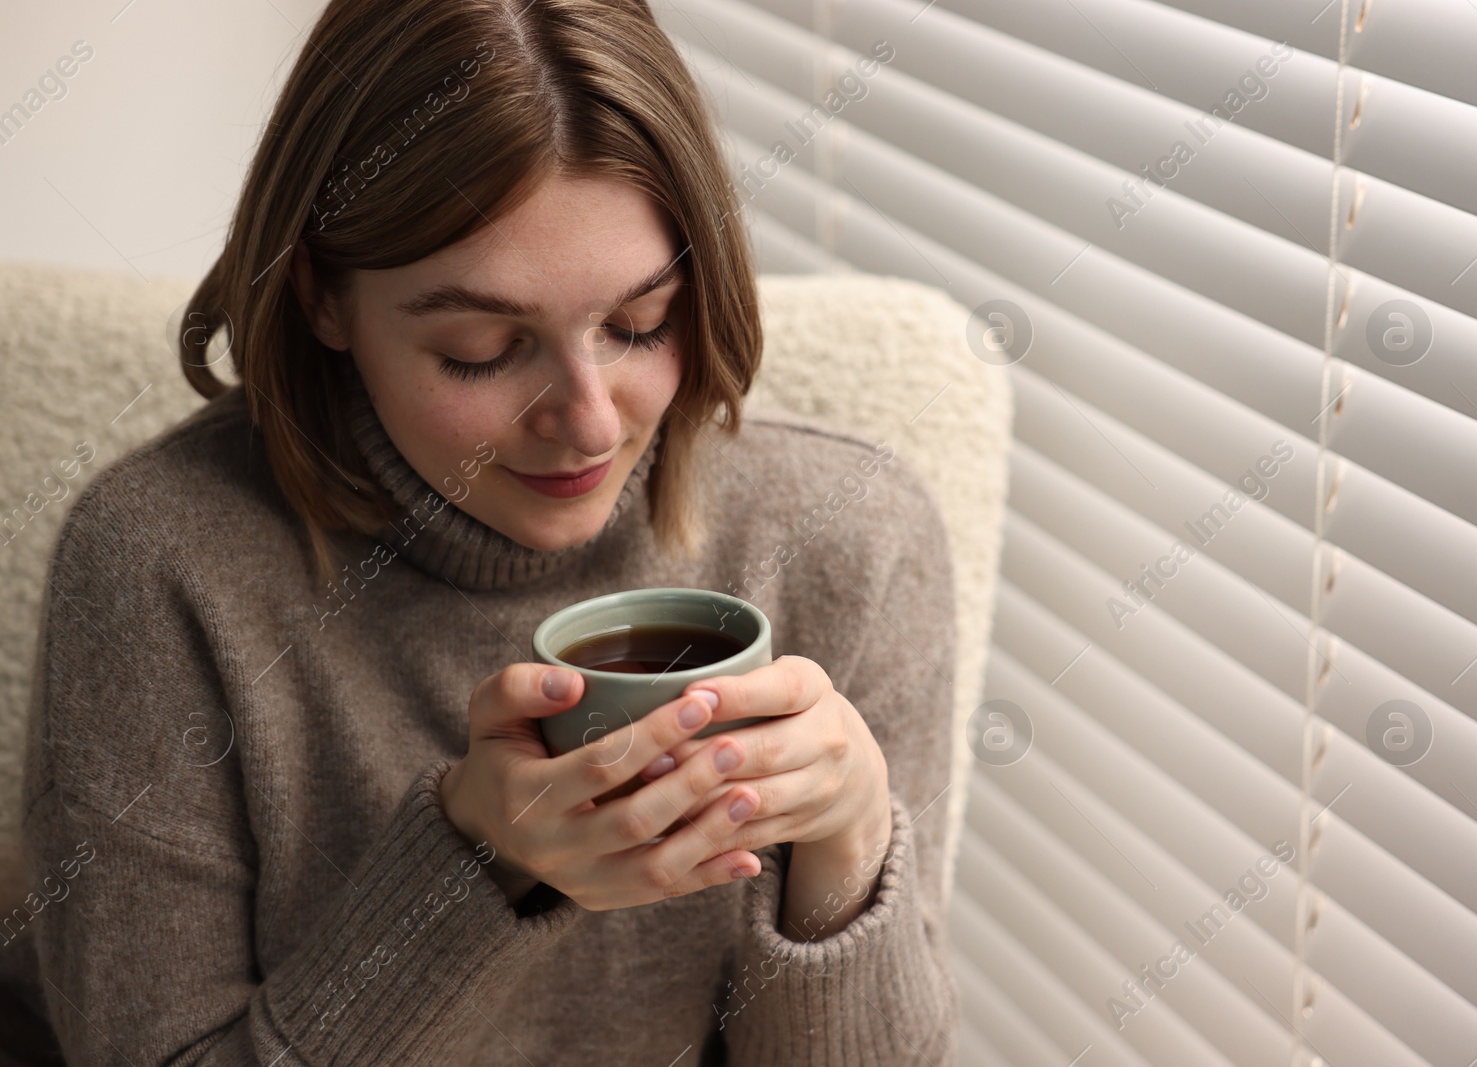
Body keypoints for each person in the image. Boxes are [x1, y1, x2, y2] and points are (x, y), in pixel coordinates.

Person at [19, 0, 959, 1062]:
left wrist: (849, 837)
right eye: (479, 348)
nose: (591, 421)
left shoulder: (849, 537)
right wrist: (473, 866)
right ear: (324, 296)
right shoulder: (163, 564)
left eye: (639, 323)